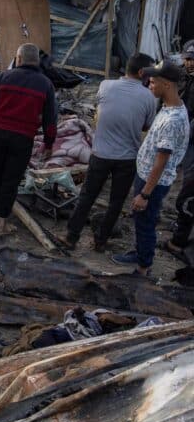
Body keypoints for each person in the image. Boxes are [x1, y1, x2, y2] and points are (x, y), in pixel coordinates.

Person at [59, 54, 157, 251]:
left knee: (87, 196)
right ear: (141, 73)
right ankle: (101, 242)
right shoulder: (149, 97)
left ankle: (71, 237)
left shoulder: (105, 85)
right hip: (128, 158)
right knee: (116, 202)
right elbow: (146, 125)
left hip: (100, 154)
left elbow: (100, 109)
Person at [110, 61, 191, 274]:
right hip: (147, 176)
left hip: (152, 183)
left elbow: (161, 161)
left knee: (145, 222)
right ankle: (140, 253)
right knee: (142, 220)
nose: (149, 86)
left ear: (166, 84)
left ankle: (143, 266)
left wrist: (145, 194)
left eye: (153, 82)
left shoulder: (173, 120)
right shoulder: (169, 107)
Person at [0, 43, 57, 237]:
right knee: (10, 179)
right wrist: (48, 143)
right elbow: (50, 120)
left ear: (18, 59)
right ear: (36, 61)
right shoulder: (46, 84)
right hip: (23, 139)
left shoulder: (4, 77)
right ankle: (0, 223)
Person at [164, 43, 194, 258]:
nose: (189, 63)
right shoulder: (186, 76)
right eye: (187, 59)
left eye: (192, 59)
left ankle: (179, 240)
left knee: (188, 191)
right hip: (186, 137)